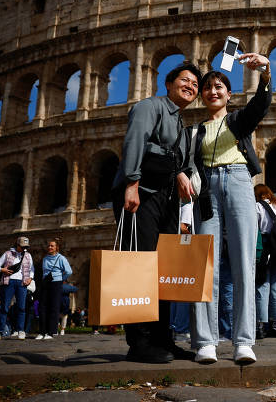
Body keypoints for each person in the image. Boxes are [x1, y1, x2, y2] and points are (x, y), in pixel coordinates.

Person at [111, 62, 201, 363]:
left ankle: (164, 338)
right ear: (169, 83)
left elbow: (179, 162)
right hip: (142, 194)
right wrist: (131, 184)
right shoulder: (149, 107)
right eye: (184, 80)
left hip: (166, 200)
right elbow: (135, 142)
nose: (190, 86)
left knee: (164, 272)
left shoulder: (181, 122)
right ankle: (139, 342)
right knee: (140, 265)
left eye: (195, 84)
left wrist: (182, 175)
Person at [189, 53, 272, 365]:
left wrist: (264, 71)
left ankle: (243, 342)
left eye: (219, 86)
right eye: (208, 87)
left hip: (238, 181)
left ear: (229, 93)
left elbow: (260, 105)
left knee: (243, 263)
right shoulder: (195, 131)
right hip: (207, 190)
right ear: (202, 95)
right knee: (204, 265)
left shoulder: (238, 120)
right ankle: (205, 342)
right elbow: (186, 164)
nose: (213, 90)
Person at [254, 184, 276, 339]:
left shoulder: (257, 206)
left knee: (262, 285)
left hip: (265, 247)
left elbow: (256, 229)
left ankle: (260, 325)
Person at [0, 236, 34, 339]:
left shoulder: (28, 255)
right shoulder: (7, 254)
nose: (24, 248)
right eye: (22, 246)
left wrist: (30, 278)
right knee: (5, 307)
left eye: (26, 246)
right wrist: (3, 270)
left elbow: (32, 269)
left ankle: (20, 330)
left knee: (21, 307)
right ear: (17, 245)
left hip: (22, 283)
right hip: (9, 282)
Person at [36, 239, 72, 340]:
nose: (50, 247)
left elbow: (69, 271)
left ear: (56, 247)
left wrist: (61, 280)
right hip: (45, 283)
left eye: (52, 246)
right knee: (42, 307)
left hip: (56, 283)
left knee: (54, 307)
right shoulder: (45, 259)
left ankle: (51, 332)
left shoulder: (61, 258)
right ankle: (42, 332)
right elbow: (44, 272)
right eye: (49, 246)